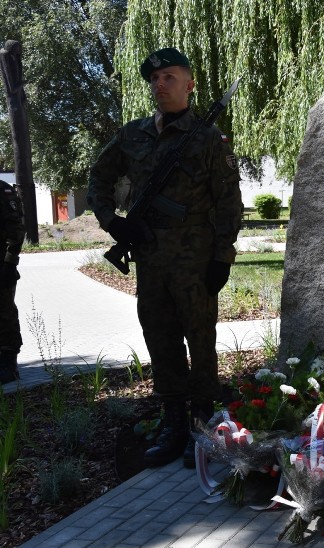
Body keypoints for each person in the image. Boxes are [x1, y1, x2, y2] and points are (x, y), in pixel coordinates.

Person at [87, 47, 243, 469]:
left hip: (195, 260)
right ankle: (173, 420)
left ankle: (203, 422)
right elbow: (98, 177)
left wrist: (221, 257)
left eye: (170, 76)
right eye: (155, 79)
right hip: (150, 257)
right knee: (160, 338)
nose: (160, 84)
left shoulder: (210, 139)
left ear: (190, 84)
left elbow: (229, 202)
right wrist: (112, 222)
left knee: (201, 337)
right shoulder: (132, 135)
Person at [0, 180, 25, 384]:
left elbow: (16, 229)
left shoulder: (3, 191)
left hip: (1, 265)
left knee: (4, 311)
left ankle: (9, 363)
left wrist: (9, 263)